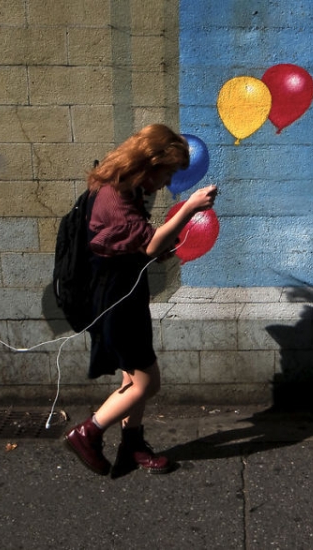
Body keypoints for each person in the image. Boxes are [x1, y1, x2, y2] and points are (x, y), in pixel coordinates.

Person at [64, 124, 217, 477]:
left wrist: (152, 252)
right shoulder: (114, 197)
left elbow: (131, 245)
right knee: (149, 383)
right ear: (150, 163)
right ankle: (87, 432)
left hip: (123, 293)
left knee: (131, 379)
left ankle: (132, 446)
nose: (166, 183)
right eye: (166, 173)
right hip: (115, 298)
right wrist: (191, 207)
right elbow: (147, 243)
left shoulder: (123, 189)